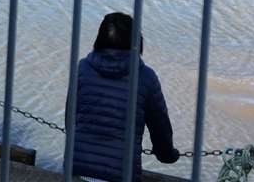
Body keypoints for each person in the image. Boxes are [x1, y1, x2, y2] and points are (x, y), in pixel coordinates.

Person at [72, 12, 179, 181]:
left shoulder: (83, 68)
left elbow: (70, 118)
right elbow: (160, 126)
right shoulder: (146, 77)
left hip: (78, 169)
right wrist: (167, 155)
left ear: (99, 39)